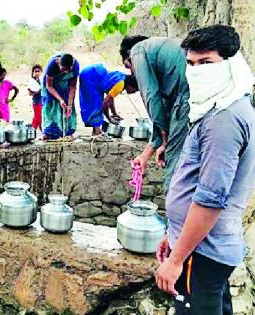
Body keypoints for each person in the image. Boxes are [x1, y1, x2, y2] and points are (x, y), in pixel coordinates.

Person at [155, 25, 255, 314]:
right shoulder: (220, 107)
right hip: (203, 246)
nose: (197, 71)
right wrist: (174, 234)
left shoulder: (223, 121)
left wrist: (176, 260)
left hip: (202, 252)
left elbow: (210, 199)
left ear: (230, 64)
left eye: (206, 62)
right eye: (191, 63)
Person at [120, 35, 190, 192]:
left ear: (128, 56)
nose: (132, 72)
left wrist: (165, 141)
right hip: (192, 99)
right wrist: (146, 155)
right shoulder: (162, 52)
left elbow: (151, 95)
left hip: (187, 99)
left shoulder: (138, 51)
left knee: (173, 158)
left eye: (128, 67)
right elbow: (163, 112)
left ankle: (174, 212)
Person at [79, 63, 138, 135]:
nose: (133, 92)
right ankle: (97, 132)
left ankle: (96, 131)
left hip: (95, 72)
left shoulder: (122, 78)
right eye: (134, 90)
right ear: (130, 85)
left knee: (96, 102)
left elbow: (110, 99)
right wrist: (109, 118)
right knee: (96, 104)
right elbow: (105, 103)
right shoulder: (120, 85)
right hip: (91, 76)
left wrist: (114, 113)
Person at [41, 53, 79, 140]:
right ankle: (49, 133)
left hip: (65, 84)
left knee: (67, 108)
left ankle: (67, 132)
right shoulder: (52, 65)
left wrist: (69, 104)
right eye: (63, 69)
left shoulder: (75, 67)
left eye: (68, 70)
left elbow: (72, 87)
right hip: (51, 85)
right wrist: (60, 99)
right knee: (51, 106)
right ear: (59, 63)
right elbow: (49, 86)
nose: (65, 72)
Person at [27, 64, 43, 131]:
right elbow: (30, 93)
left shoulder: (40, 80)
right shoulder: (31, 82)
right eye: (35, 71)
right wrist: (38, 91)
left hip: (41, 101)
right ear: (33, 72)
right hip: (36, 102)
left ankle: (32, 130)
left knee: (36, 117)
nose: (37, 73)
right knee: (39, 117)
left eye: (38, 71)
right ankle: (43, 130)